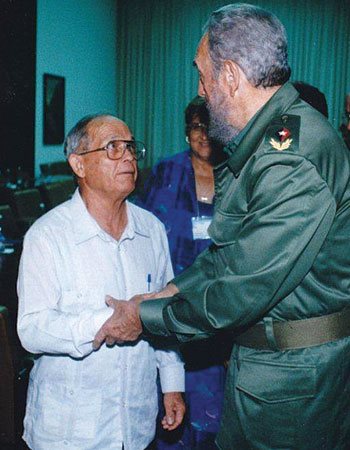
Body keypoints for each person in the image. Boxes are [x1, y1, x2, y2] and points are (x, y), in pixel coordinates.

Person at [93, 4, 350, 450]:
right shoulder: (268, 141)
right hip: (268, 370)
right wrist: (169, 292)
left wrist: (143, 315)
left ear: (229, 76)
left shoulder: (290, 158)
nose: (201, 90)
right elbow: (231, 253)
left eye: (202, 75)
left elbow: (239, 291)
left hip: (294, 386)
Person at [17, 113, 185, 450]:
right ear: (79, 165)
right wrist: (105, 324)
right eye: (112, 147)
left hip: (135, 423)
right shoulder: (48, 236)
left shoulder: (150, 229)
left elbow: (165, 309)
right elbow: (31, 329)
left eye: (130, 147)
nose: (127, 156)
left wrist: (172, 382)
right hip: (70, 430)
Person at [138, 96, 227, 449]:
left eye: (210, 127)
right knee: (168, 405)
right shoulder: (166, 170)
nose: (203, 135)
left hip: (216, 311)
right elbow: (145, 233)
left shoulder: (238, 176)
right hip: (167, 305)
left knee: (211, 414)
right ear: (186, 131)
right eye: (195, 126)